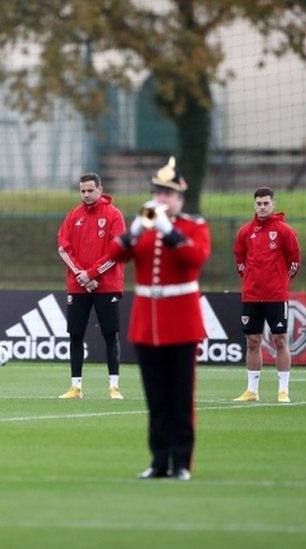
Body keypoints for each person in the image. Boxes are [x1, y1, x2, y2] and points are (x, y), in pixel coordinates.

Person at [106, 157, 210, 480]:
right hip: (147, 325)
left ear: (180, 198)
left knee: (180, 397)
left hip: (181, 322)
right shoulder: (145, 227)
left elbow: (194, 259)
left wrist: (168, 230)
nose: (161, 199)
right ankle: (158, 461)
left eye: (168, 194)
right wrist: (134, 230)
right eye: (158, 193)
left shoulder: (193, 226)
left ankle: (181, 462)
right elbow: (114, 255)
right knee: (156, 399)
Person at [56, 172, 126, 399]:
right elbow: (63, 247)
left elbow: (117, 251)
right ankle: (76, 387)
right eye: (82, 191)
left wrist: (92, 273)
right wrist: (81, 275)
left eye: (90, 190)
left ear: (99, 189)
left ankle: (113, 386)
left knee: (109, 333)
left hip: (106, 285)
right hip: (78, 285)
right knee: (75, 334)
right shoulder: (72, 215)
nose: (86, 195)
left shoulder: (114, 215)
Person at [231, 187, 301, 403]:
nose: (262, 207)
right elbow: (239, 259)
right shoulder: (245, 231)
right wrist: (249, 279)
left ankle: (283, 390)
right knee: (252, 341)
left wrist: (280, 281)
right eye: (259, 203)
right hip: (251, 295)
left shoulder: (284, 231)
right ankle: (252, 390)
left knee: (280, 340)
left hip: (276, 295)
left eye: (266, 203)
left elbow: (295, 261)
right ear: (255, 205)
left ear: (273, 205)